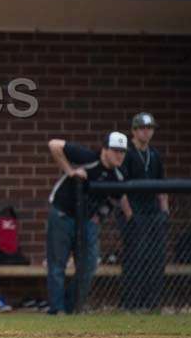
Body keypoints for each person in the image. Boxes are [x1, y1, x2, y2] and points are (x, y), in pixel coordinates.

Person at [45, 132, 127, 314]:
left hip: (87, 220)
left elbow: (116, 200)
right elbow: (54, 144)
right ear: (105, 150)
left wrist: (100, 216)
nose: (119, 155)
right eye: (115, 150)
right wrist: (70, 172)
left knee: (89, 264)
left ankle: (71, 307)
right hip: (62, 213)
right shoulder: (88, 158)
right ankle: (57, 309)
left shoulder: (119, 175)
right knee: (58, 264)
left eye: (122, 151)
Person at [118, 112, 168, 311]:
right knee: (134, 259)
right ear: (134, 130)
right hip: (134, 214)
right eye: (142, 128)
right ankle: (131, 303)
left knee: (155, 259)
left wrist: (165, 212)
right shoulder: (127, 154)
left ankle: (152, 303)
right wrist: (129, 214)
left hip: (153, 213)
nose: (146, 132)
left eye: (150, 128)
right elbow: (120, 188)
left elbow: (162, 187)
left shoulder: (154, 155)